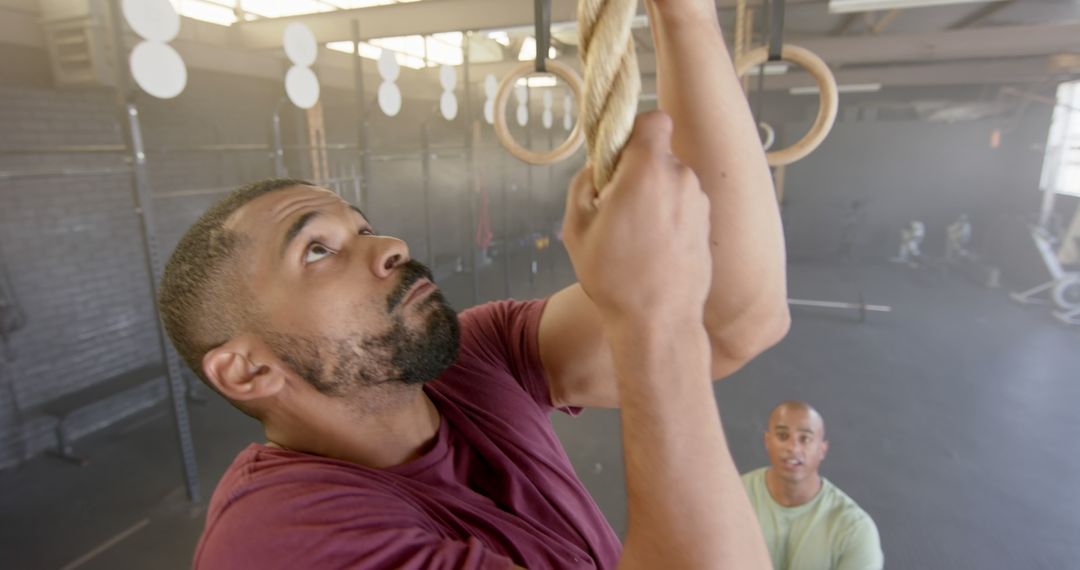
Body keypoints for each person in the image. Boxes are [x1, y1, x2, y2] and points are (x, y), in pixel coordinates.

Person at [158, 0, 789, 566]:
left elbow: (734, 319)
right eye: (317, 249)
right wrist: (651, 317)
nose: (389, 245)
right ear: (247, 372)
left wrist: (686, 17)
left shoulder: (476, 358)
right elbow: (686, 323)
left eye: (364, 227)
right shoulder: (280, 543)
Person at [742, 401, 884, 570]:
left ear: (822, 449)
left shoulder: (854, 528)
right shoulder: (733, 498)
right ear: (767, 441)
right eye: (782, 436)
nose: (793, 448)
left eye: (805, 439)